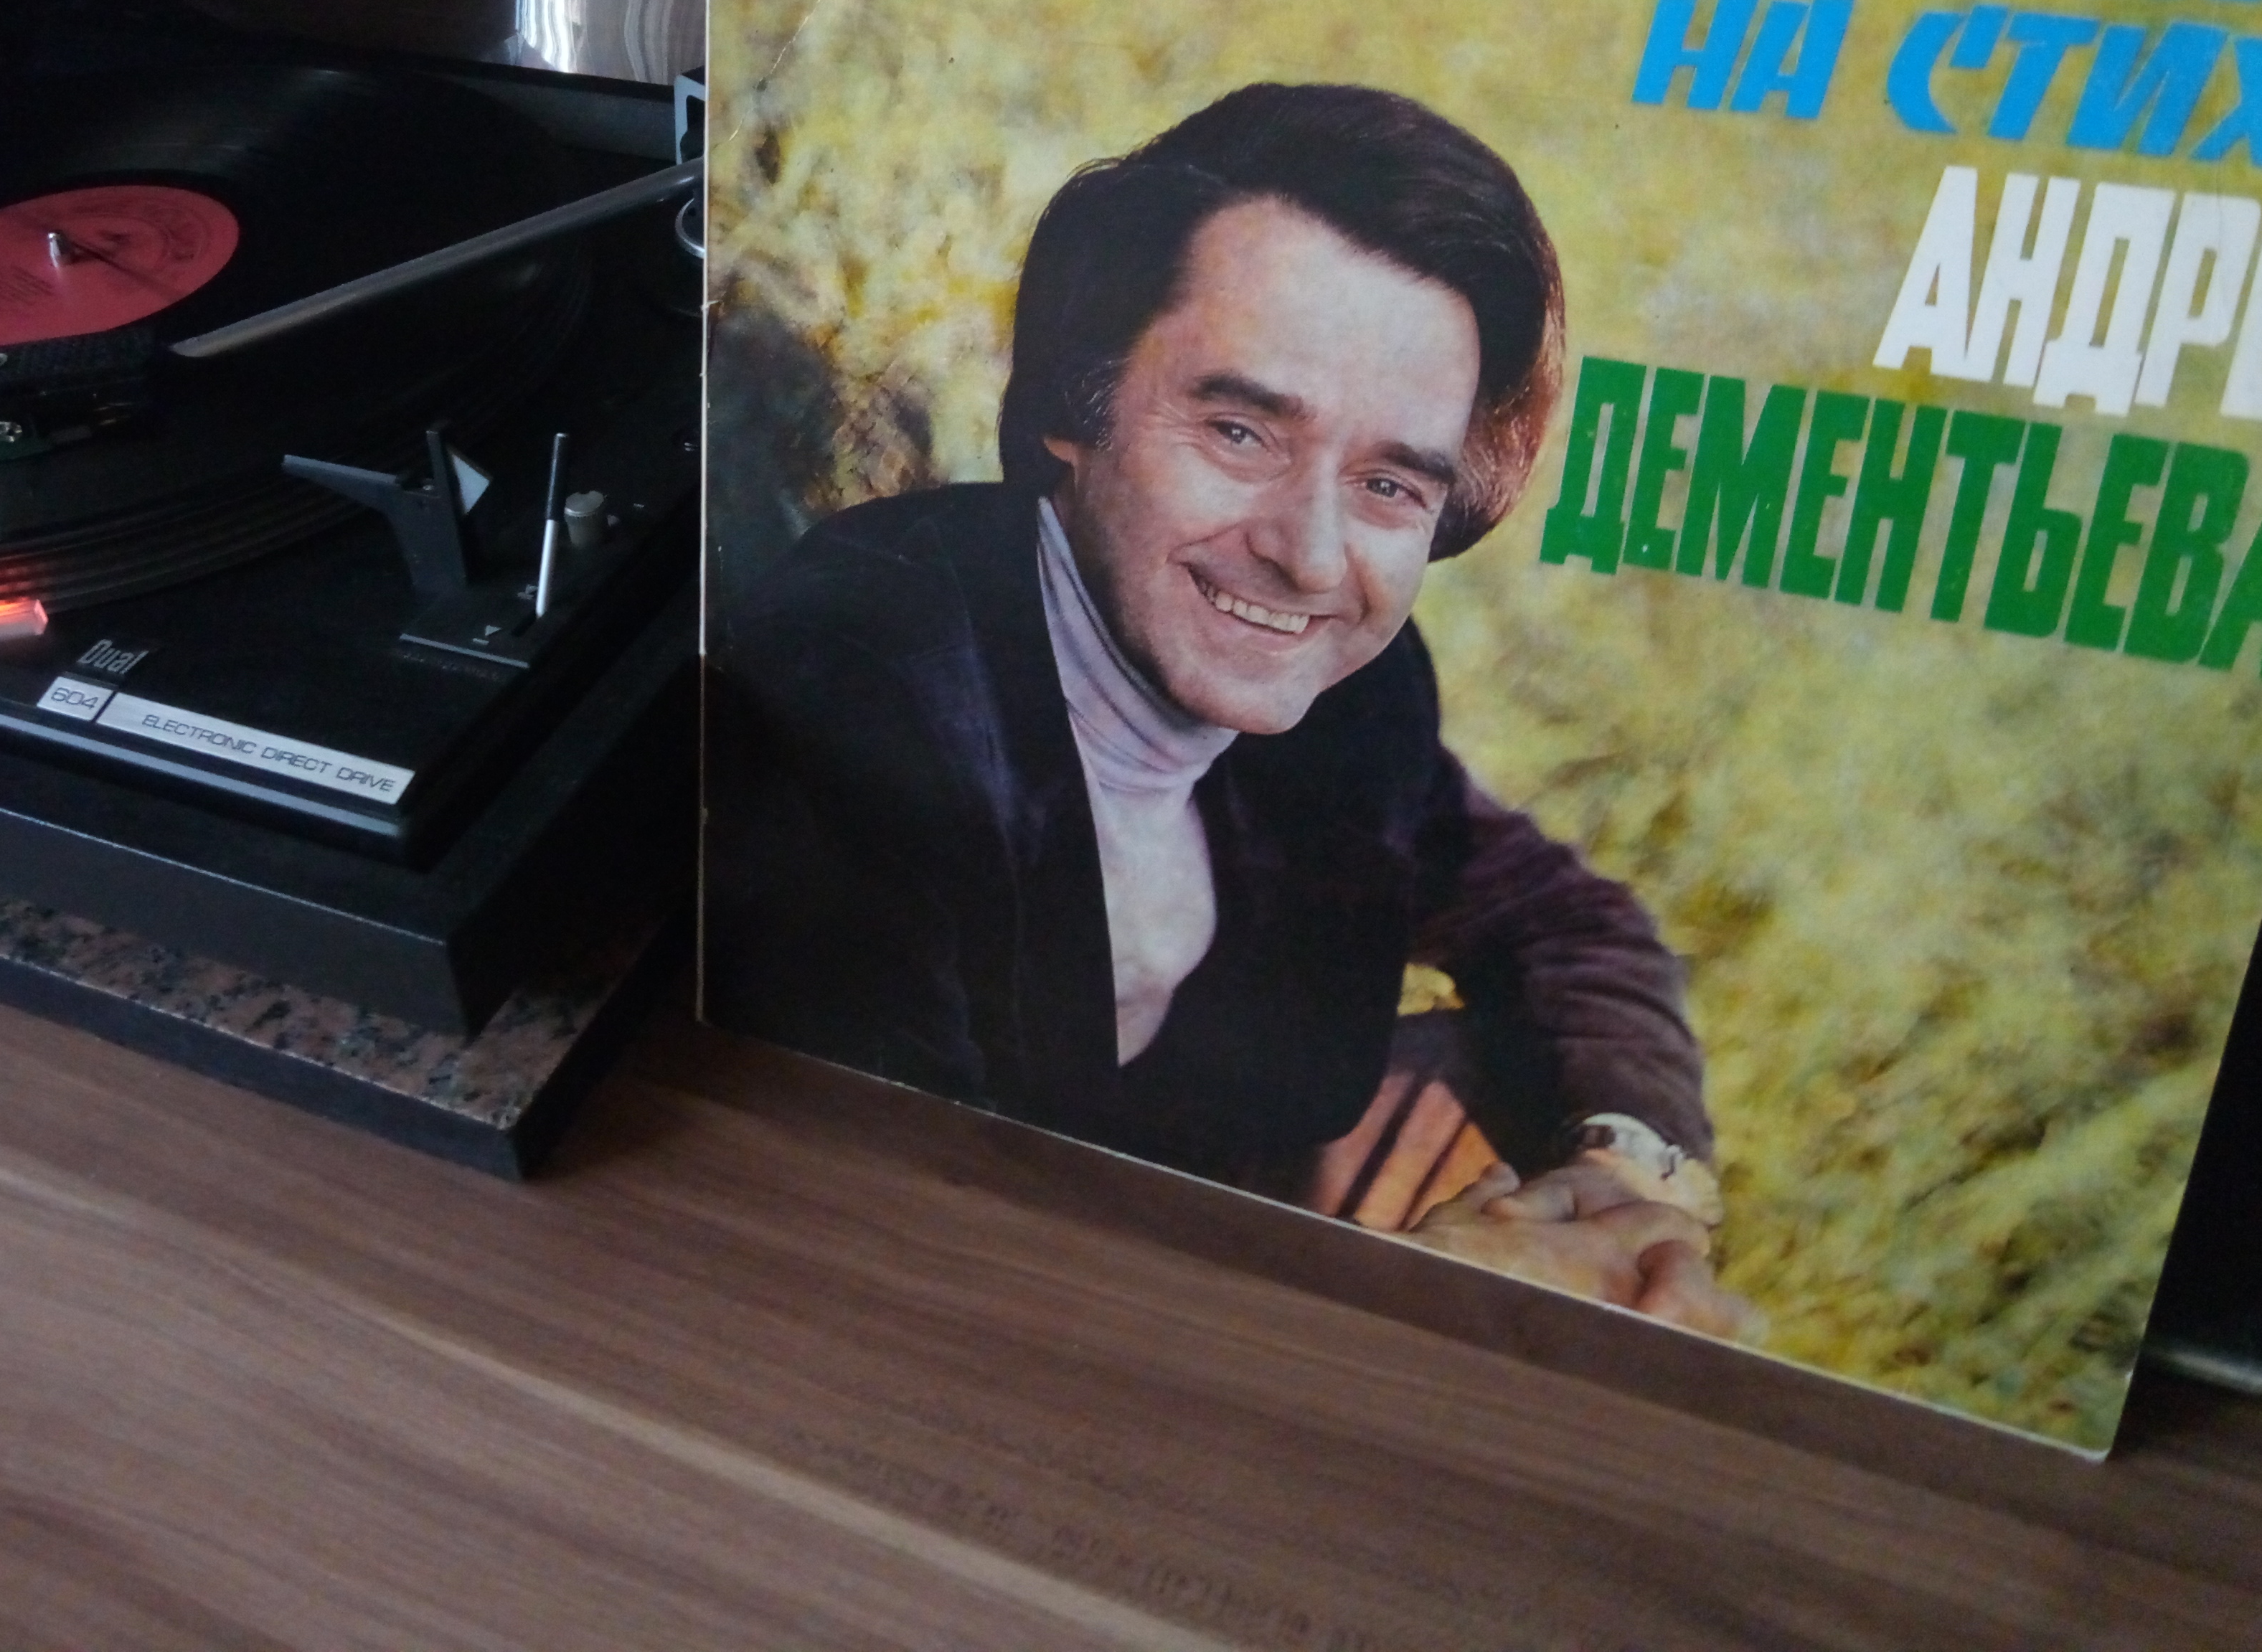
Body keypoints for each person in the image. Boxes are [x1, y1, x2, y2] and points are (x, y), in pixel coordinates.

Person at [706, 83, 1750, 1334]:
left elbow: (1566, 923)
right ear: (1076, 406)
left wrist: (1629, 1181)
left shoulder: (1350, 702)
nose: (1310, 557)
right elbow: (874, 1265)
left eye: (1388, 485)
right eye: (1242, 431)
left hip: (1177, 1266)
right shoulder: (870, 685)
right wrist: (1381, 1307)